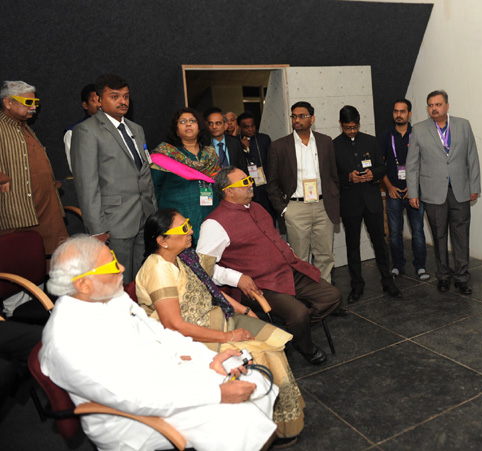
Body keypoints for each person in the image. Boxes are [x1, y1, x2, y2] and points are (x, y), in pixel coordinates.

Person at [40, 235, 277, 451]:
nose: (121, 268)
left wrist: (209, 359)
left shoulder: (109, 296)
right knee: (241, 419)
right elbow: (133, 397)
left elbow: (160, 334)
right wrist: (216, 393)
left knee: (253, 378)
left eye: (115, 259)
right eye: (111, 266)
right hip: (133, 418)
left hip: (164, 377)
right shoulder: (67, 341)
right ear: (83, 284)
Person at [135, 209, 305, 445]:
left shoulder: (182, 258)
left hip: (217, 319)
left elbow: (211, 291)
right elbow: (174, 325)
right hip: (190, 339)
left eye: (188, 224)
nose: (191, 231)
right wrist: (230, 335)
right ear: (162, 240)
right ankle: (258, 432)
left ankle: (282, 425)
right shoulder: (158, 269)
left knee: (274, 341)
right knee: (258, 356)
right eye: (183, 228)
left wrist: (243, 310)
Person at [198, 167, 341, 365]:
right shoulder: (214, 224)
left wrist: (288, 249)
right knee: (299, 314)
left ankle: (291, 334)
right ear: (228, 191)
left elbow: (272, 238)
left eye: (249, 180)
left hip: (287, 271)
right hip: (259, 285)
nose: (250, 185)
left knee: (333, 296)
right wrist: (237, 278)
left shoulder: (257, 207)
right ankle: (305, 345)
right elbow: (203, 268)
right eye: (244, 182)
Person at [71, 74, 157, 285]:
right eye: (115, 96)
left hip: (144, 217)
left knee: (143, 280)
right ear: (99, 100)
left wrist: (153, 213)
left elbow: (144, 173)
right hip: (114, 222)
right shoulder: (87, 130)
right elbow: (86, 184)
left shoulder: (136, 129)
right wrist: (97, 228)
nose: (122, 101)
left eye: (126, 96)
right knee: (117, 283)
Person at [407, 90, 481, 295]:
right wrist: (412, 193)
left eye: (438, 104)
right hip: (433, 193)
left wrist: (474, 187)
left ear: (447, 106)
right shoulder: (419, 130)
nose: (434, 108)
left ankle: (462, 277)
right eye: (431, 105)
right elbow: (412, 165)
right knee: (439, 236)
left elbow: (472, 157)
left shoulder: (463, 125)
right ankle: (443, 276)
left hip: (460, 191)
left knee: (461, 235)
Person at [267, 102, 340, 282]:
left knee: (325, 256)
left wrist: (333, 198)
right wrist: (285, 210)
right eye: (294, 116)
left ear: (312, 119)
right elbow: (272, 184)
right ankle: (305, 295)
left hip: (323, 206)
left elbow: (333, 175)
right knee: (299, 259)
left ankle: (325, 294)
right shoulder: (279, 146)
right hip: (296, 208)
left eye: (301, 116)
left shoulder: (325, 142)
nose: (296, 120)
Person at [333, 105, 400, 303]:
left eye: (355, 127)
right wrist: (348, 177)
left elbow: (382, 167)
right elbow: (332, 176)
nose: (352, 131)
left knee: (380, 243)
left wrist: (373, 174)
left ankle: (388, 281)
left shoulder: (370, 141)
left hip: (372, 202)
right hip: (350, 203)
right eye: (348, 128)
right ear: (341, 124)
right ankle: (357, 286)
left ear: (359, 123)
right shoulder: (334, 145)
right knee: (353, 246)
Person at [0, 80, 68, 257]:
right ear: (8, 102)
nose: (34, 107)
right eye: (28, 102)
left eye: (35, 102)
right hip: (16, 213)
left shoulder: (25, 127)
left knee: (57, 258)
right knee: (19, 261)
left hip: (46, 208)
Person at [150, 108, 220, 245]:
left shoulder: (210, 154)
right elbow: (154, 189)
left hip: (210, 214)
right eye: (182, 121)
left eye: (192, 121)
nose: (188, 124)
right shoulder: (165, 154)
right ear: (176, 130)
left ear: (199, 127)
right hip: (178, 219)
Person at [379, 98, 430, 281]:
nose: (398, 115)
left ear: (409, 114)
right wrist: (389, 187)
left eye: (402, 111)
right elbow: (379, 165)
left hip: (414, 193)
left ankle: (420, 266)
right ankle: (397, 265)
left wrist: (414, 187)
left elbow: (425, 163)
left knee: (418, 231)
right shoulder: (386, 136)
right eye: (396, 111)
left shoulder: (418, 134)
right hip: (393, 192)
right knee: (394, 233)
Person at [237, 112, 274, 219]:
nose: (250, 129)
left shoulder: (264, 139)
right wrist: (245, 149)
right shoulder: (236, 141)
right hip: (247, 184)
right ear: (240, 128)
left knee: (268, 212)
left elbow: (271, 160)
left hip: (264, 181)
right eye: (246, 127)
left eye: (252, 126)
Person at [63, 84, 101, 172]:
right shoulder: (73, 132)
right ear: (85, 105)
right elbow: (77, 168)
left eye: (101, 100)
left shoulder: (116, 127)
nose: (99, 105)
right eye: (94, 101)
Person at [204, 107, 248, 171]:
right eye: (210, 124)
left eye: (218, 123)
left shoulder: (235, 142)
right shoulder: (204, 144)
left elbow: (242, 167)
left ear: (225, 126)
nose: (214, 127)